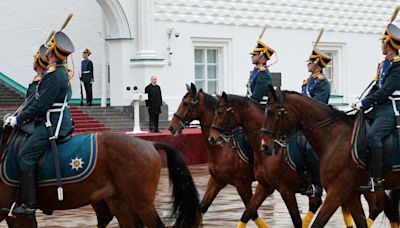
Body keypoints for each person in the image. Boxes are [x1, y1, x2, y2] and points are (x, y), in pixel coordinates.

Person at [3, 30, 75, 217]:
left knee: (25, 157)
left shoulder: (54, 75)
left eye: (48, 51)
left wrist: (19, 119)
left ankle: (30, 204)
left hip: (52, 122)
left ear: (51, 54)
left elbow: (41, 105)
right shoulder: (59, 72)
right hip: (55, 118)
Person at [352, 23, 400, 192]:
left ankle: (377, 179)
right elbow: (376, 87)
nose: (381, 45)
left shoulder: (397, 65)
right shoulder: (383, 64)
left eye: (383, 42)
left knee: (373, 136)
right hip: (379, 107)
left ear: (390, 45)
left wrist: (366, 103)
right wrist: (362, 100)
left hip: (391, 108)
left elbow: (386, 91)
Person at [298, 46, 332, 197]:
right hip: (303, 121)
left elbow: (318, 105)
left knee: (310, 148)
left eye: (310, 62)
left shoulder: (322, 83)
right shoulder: (308, 81)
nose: (307, 64)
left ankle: (316, 184)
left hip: (318, 123)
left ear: (317, 63)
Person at [246, 40, 274, 105]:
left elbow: (256, 98)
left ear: (261, 56)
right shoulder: (256, 71)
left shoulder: (263, 74)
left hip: (260, 109)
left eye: (254, 55)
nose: (252, 57)